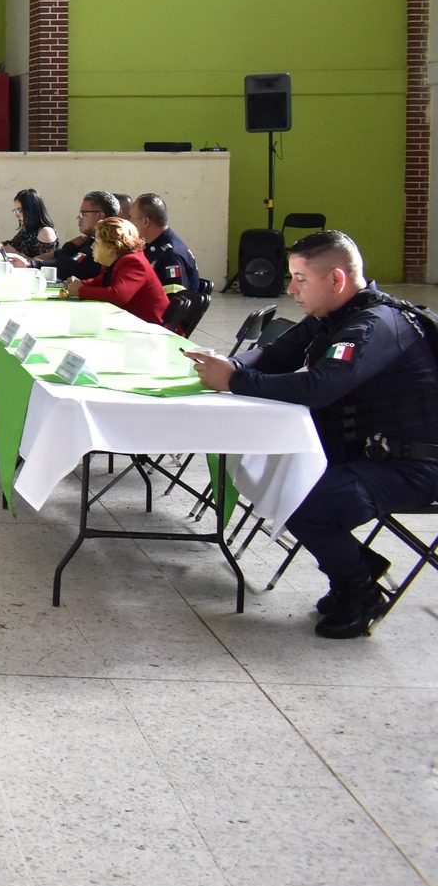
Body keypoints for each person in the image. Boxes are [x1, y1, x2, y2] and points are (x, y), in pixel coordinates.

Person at [184, 231, 438, 639]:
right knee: (281, 478)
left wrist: (234, 381)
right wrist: (228, 364)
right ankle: (355, 568)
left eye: (300, 278)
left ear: (336, 280)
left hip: (414, 465)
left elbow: (321, 386)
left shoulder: (376, 324)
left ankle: (360, 590)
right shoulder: (335, 316)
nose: (291, 288)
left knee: (306, 501)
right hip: (368, 455)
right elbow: (275, 354)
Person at [63, 216, 167, 325]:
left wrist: (81, 290)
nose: (92, 247)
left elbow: (118, 295)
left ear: (110, 248)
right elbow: (101, 281)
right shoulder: (117, 261)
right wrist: (79, 284)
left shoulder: (133, 262)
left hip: (153, 329)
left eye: (97, 242)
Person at [16, 190, 118, 283]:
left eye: (83, 213)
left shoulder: (107, 244)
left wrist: (69, 247)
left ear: (99, 215)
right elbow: (65, 258)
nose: (78, 218)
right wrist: (31, 264)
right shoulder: (88, 241)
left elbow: (67, 269)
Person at [130, 192, 200, 295]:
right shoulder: (154, 245)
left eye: (132, 219)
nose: (130, 222)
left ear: (145, 222)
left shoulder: (170, 255)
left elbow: (175, 301)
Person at [1, 189, 57, 263]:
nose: (17, 215)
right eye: (16, 211)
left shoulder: (46, 232)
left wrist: (16, 254)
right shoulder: (27, 229)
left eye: (20, 210)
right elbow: (10, 245)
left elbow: (44, 264)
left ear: (32, 210)